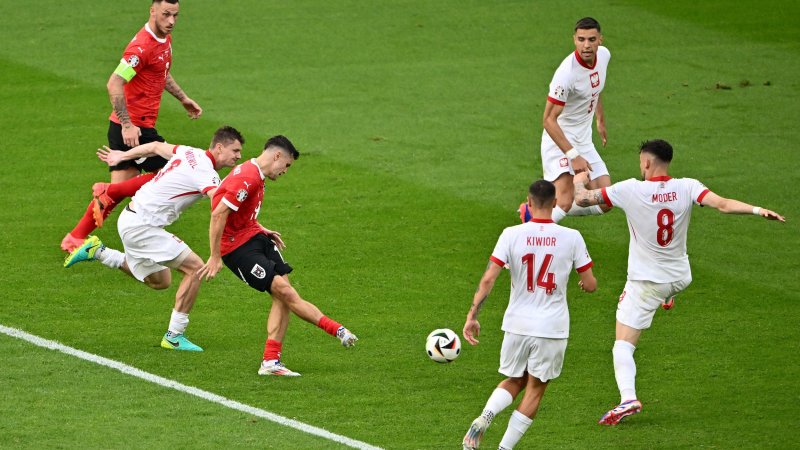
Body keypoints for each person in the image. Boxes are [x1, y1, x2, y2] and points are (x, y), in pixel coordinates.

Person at [572, 139, 785, 425]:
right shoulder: (687, 186)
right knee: (668, 286)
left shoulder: (630, 189)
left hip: (646, 283)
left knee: (622, 346)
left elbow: (582, 200)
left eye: (640, 163)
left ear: (646, 163)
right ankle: (667, 295)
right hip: (680, 276)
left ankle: (628, 398)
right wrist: (758, 210)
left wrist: (578, 180)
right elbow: (722, 205)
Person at [63, 126, 244, 352]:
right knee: (196, 269)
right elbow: (220, 206)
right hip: (143, 227)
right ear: (219, 147)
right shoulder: (205, 173)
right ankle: (174, 336)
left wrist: (122, 156)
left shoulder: (190, 152)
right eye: (235, 150)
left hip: (130, 219)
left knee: (160, 281)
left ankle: (98, 252)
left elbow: (155, 147)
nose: (238, 156)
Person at [196, 136, 358, 377]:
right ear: (277, 156)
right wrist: (215, 256)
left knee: (283, 295)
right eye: (287, 166)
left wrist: (260, 228)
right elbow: (218, 213)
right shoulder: (247, 177)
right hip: (235, 248)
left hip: (253, 236)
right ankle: (338, 330)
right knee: (286, 292)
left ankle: (271, 362)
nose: (285, 171)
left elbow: (239, 213)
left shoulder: (256, 174)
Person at [462, 180, 597, 450]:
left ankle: (485, 417)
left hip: (517, 323)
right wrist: (583, 284)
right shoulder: (571, 237)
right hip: (552, 327)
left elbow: (489, 278)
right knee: (535, 387)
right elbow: (591, 284)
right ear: (556, 202)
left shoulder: (511, 234)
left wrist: (472, 315)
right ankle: (504, 448)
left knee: (514, 379)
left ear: (528, 201)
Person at [61, 0, 202, 253]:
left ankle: (74, 237)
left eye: (175, 15)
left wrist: (183, 98)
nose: (171, 21)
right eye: (165, 14)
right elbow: (113, 84)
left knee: (113, 197)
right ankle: (109, 191)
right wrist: (128, 125)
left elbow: (161, 72)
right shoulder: (140, 47)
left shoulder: (163, 39)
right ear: (152, 11)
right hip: (135, 130)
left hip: (125, 127)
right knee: (175, 172)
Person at [520, 17, 611, 224]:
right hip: (559, 140)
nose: (586, 45)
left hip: (583, 140)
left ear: (600, 40)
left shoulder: (604, 56)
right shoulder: (566, 74)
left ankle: (535, 211)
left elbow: (595, 90)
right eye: (581, 39)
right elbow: (548, 120)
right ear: (574, 40)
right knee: (564, 201)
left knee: (604, 200)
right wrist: (573, 156)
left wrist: (600, 120)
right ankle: (532, 231)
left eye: (591, 39)